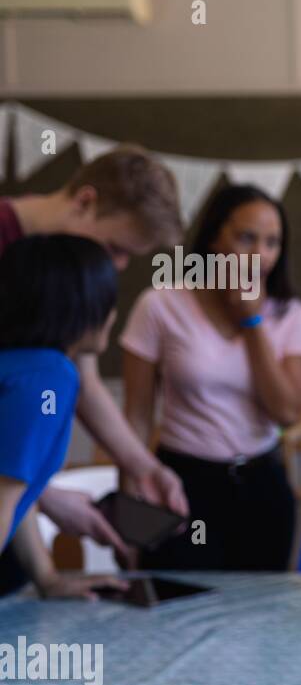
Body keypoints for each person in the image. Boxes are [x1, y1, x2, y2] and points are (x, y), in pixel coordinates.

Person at [0, 146, 188, 593]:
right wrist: (39, 493)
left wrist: (142, 465)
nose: (116, 266)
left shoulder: (56, 347)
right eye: (114, 248)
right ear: (85, 202)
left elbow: (80, 376)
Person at [119, 185, 301, 571]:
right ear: (213, 239)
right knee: (173, 613)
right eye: (246, 238)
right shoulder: (159, 304)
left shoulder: (290, 314)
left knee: (260, 621)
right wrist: (128, 513)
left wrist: (253, 321)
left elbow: (287, 411)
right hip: (182, 485)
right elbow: (136, 418)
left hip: (262, 486)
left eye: (272, 243)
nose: (260, 255)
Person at [0, 235, 130, 600]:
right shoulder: (49, 381)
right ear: (82, 309)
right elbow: (2, 501)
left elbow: (16, 490)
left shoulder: (19, 368)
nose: (113, 315)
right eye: (109, 302)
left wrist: (49, 579)